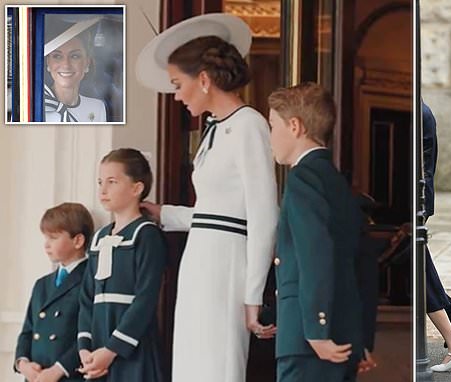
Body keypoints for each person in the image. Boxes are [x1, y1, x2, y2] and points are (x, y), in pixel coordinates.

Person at [136, 13, 279, 381]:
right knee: (192, 360)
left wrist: (253, 296)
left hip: (228, 265)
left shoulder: (249, 125)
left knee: (218, 363)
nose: (177, 95)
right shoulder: (214, 131)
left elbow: (263, 215)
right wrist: (163, 213)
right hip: (200, 259)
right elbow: (216, 211)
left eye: (177, 84)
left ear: (203, 80)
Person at [268, 82, 363, 382]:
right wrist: (362, 338)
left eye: (272, 126)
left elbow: (315, 256)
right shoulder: (334, 179)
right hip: (340, 334)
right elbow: (360, 260)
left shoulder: (302, 180)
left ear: (294, 126)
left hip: (308, 340)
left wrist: (316, 330)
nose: (270, 138)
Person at [77, 149, 167, 381]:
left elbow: (145, 299)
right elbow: (87, 297)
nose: (103, 189)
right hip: (97, 349)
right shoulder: (98, 238)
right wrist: (85, 347)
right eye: (100, 182)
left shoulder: (146, 235)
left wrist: (112, 349)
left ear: (136, 188)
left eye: (112, 182)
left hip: (132, 349)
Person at [14, 203, 94, 382]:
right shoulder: (42, 284)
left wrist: (59, 369)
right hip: (36, 376)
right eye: (45, 237)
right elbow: (27, 331)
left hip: (69, 376)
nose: (46, 245)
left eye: (54, 237)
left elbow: (92, 334)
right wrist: (23, 363)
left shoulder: (92, 280)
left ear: (78, 241)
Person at [421, 101, 451, 372]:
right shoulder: (421, 109)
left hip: (414, 201)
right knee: (419, 267)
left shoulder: (419, 112)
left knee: (418, 269)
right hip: (416, 199)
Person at [44, 18, 107, 123]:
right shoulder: (32, 108)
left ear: (87, 63)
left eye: (74, 56)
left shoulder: (97, 108)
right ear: (48, 63)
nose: (66, 65)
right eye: (57, 56)